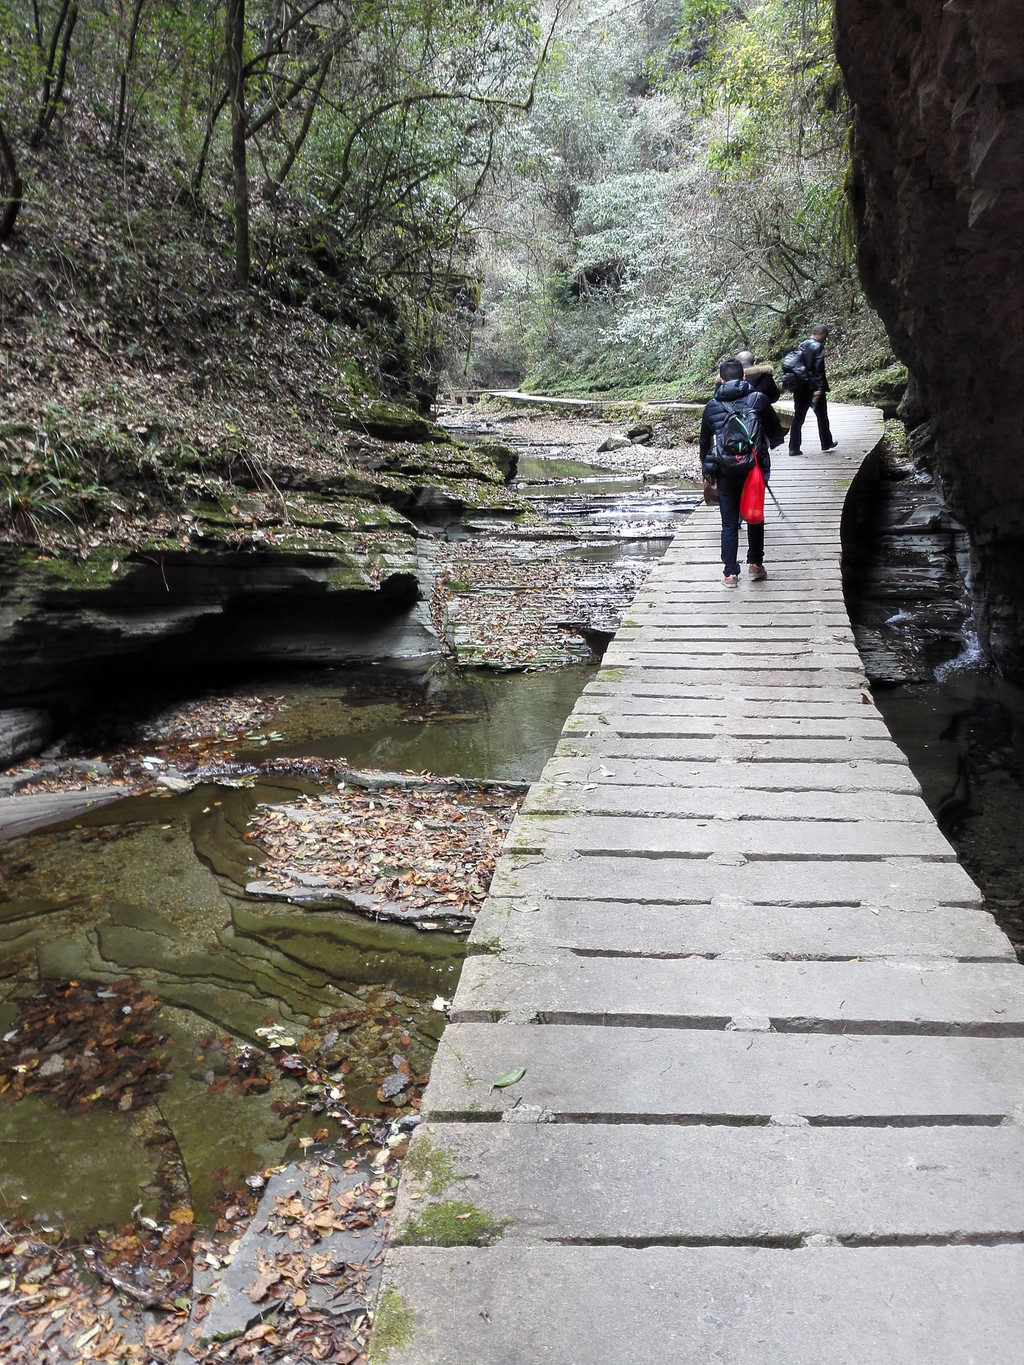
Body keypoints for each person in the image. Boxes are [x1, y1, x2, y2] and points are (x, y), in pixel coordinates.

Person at [700, 357, 785, 585]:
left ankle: (730, 574)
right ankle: (755, 565)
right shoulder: (758, 399)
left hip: (725, 472)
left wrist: (707, 473)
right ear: (745, 376)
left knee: (729, 523)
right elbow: (776, 434)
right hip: (753, 469)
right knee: (754, 517)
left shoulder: (712, 406)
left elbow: (705, 445)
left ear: (721, 379)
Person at [787, 324, 838, 455]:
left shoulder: (801, 345)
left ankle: (793, 447)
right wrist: (819, 387)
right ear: (821, 334)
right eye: (825, 336)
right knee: (822, 416)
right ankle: (826, 442)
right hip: (813, 388)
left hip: (800, 388)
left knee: (798, 418)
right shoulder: (817, 346)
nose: (824, 339)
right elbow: (818, 369)